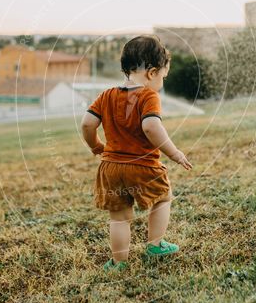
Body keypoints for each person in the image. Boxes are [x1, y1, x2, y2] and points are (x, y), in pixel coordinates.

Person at [81, 35, 192, 271]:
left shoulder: (106, 95)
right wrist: (174, 153)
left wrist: (95, 146)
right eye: (163, 76)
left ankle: (119, 263)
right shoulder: (148, 95)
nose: (162, 81)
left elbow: (87, 124)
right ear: (151, 73)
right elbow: (151, 127)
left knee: (119, 217)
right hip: (143, 166)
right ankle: (155, 244)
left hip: (110, 167)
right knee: (163, 197)